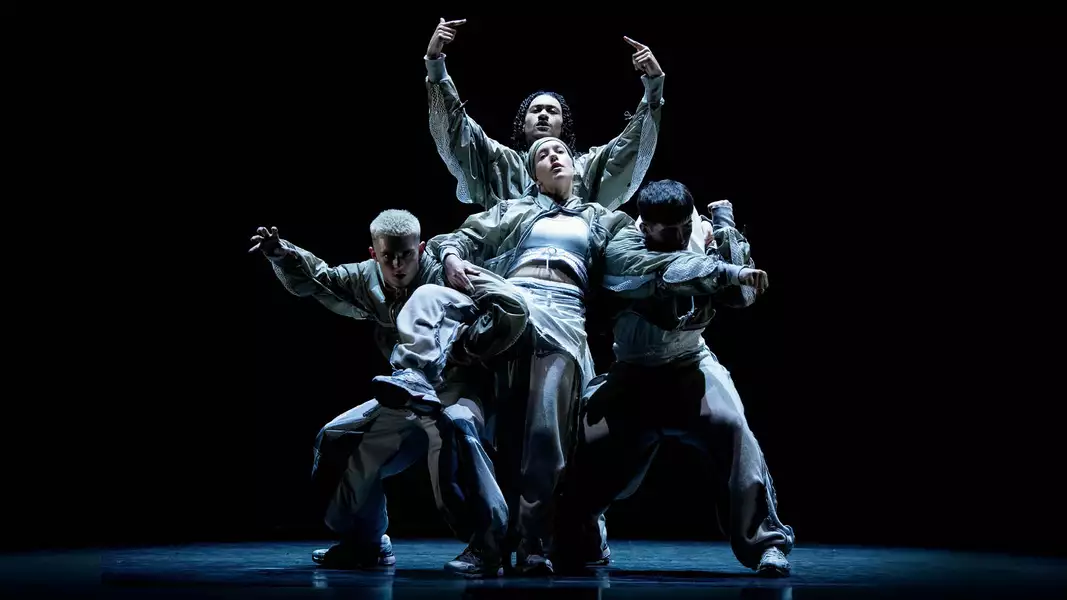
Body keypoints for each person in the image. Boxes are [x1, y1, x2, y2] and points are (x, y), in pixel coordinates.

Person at [372, 137, 634, 575]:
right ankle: (414, 373)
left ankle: (533, 542)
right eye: (541, 155)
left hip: (562, 318)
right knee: (432, 295)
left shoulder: (603, 219)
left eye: (561, 152)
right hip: (507, 301)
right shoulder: (513, 210)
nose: (552, 157)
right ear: (532, 174)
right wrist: (453, 257)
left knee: (541, 435)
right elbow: (456, 237)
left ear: (576, 167)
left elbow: (639, 256)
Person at [249, 210, 522, 575]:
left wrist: (468, 345)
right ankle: (367, 541)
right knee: (339, 439)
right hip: (405, 396)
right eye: (387, 256)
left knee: (459, 431)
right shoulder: (366, 278)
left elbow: (503, 309)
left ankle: (489, 547)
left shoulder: (444, 272)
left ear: (420, 249)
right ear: (373, 253)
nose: (397, 265)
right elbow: (322, 278)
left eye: (406, 255)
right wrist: (283, 254)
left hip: (459, 388)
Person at [551, 180, 795, 577]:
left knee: (734, 429)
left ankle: (765, 542)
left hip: (689, 366)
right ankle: (582, 538)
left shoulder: (695, 231)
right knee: (587, 457)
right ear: (645, 226)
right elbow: (668, 274)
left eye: (685, 227)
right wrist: (724, 267)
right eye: (670, 232)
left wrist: (725, 225)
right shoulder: (624, 247)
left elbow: (741, 295)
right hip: (634, 378)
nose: (681, 237)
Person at [424, 18, 665, 211]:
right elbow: (457, 129)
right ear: (522, 123)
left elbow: (629, 148)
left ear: (563, 125)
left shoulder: (585, 168)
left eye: (552, 111)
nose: (542, 115)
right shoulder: (501, 162)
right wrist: (435, 63)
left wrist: (653, 85)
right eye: (536, 110)